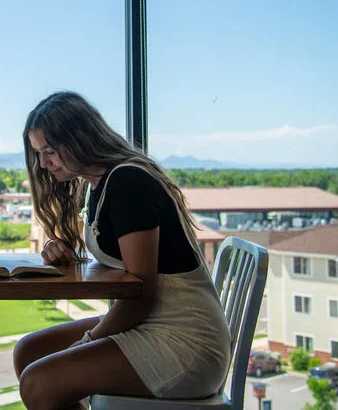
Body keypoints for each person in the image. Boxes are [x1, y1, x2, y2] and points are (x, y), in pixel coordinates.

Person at [13, 92, 231, 409]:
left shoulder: (129, 182)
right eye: (38, 154)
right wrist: (56, 246)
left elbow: (140, 295)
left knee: (38, 382)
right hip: (151, 323)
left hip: (185, 342)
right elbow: (123, 263)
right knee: (29, 351)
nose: (44, 164)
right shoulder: (100, 184)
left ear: (79, 140)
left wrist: (88, 341)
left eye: (49, 151)